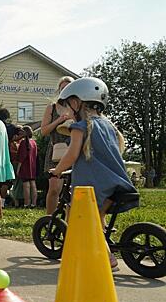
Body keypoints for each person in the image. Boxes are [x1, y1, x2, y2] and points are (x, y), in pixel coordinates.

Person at [51, 77, 136, 269]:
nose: (68, 110)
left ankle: (107, 258)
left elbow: (72, 154)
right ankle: (95, 250)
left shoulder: (79, 127)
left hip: (95, 187)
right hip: (117, 184)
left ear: (76, 102)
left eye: (68, 105)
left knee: (84, 221)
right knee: (97, 219)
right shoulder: (109, 127)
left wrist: (57, 170)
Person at [42, 76, 75, 214]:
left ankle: (70, 220)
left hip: (74, 148)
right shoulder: (52, 107)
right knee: (54, 188)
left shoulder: (77, 107)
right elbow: (44, 131)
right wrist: (59, 121)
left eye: (69, 88)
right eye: (63, 88)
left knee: (73, 189)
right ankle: (50, 219)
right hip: (56, 150)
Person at [17, 126, 38, 208]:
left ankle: (26, 203)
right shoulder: (34, 142)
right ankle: (34, 203)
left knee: (26, 185)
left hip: (25, 166)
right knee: (33, 184)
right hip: (32, 166)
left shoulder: (23, 143)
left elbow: (21, 157)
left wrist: (18, 169)